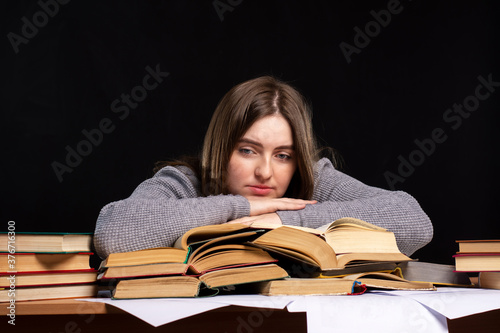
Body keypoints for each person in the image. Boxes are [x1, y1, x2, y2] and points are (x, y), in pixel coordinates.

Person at [93, 76, 433, 259]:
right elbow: (111, 233)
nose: (266, 173)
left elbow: (415, 222)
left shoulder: (312, 180)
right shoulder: (184, 182)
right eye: (247, 150)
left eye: (283, 155)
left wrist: (283, 219)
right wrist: (242, 207)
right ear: (221, 149)